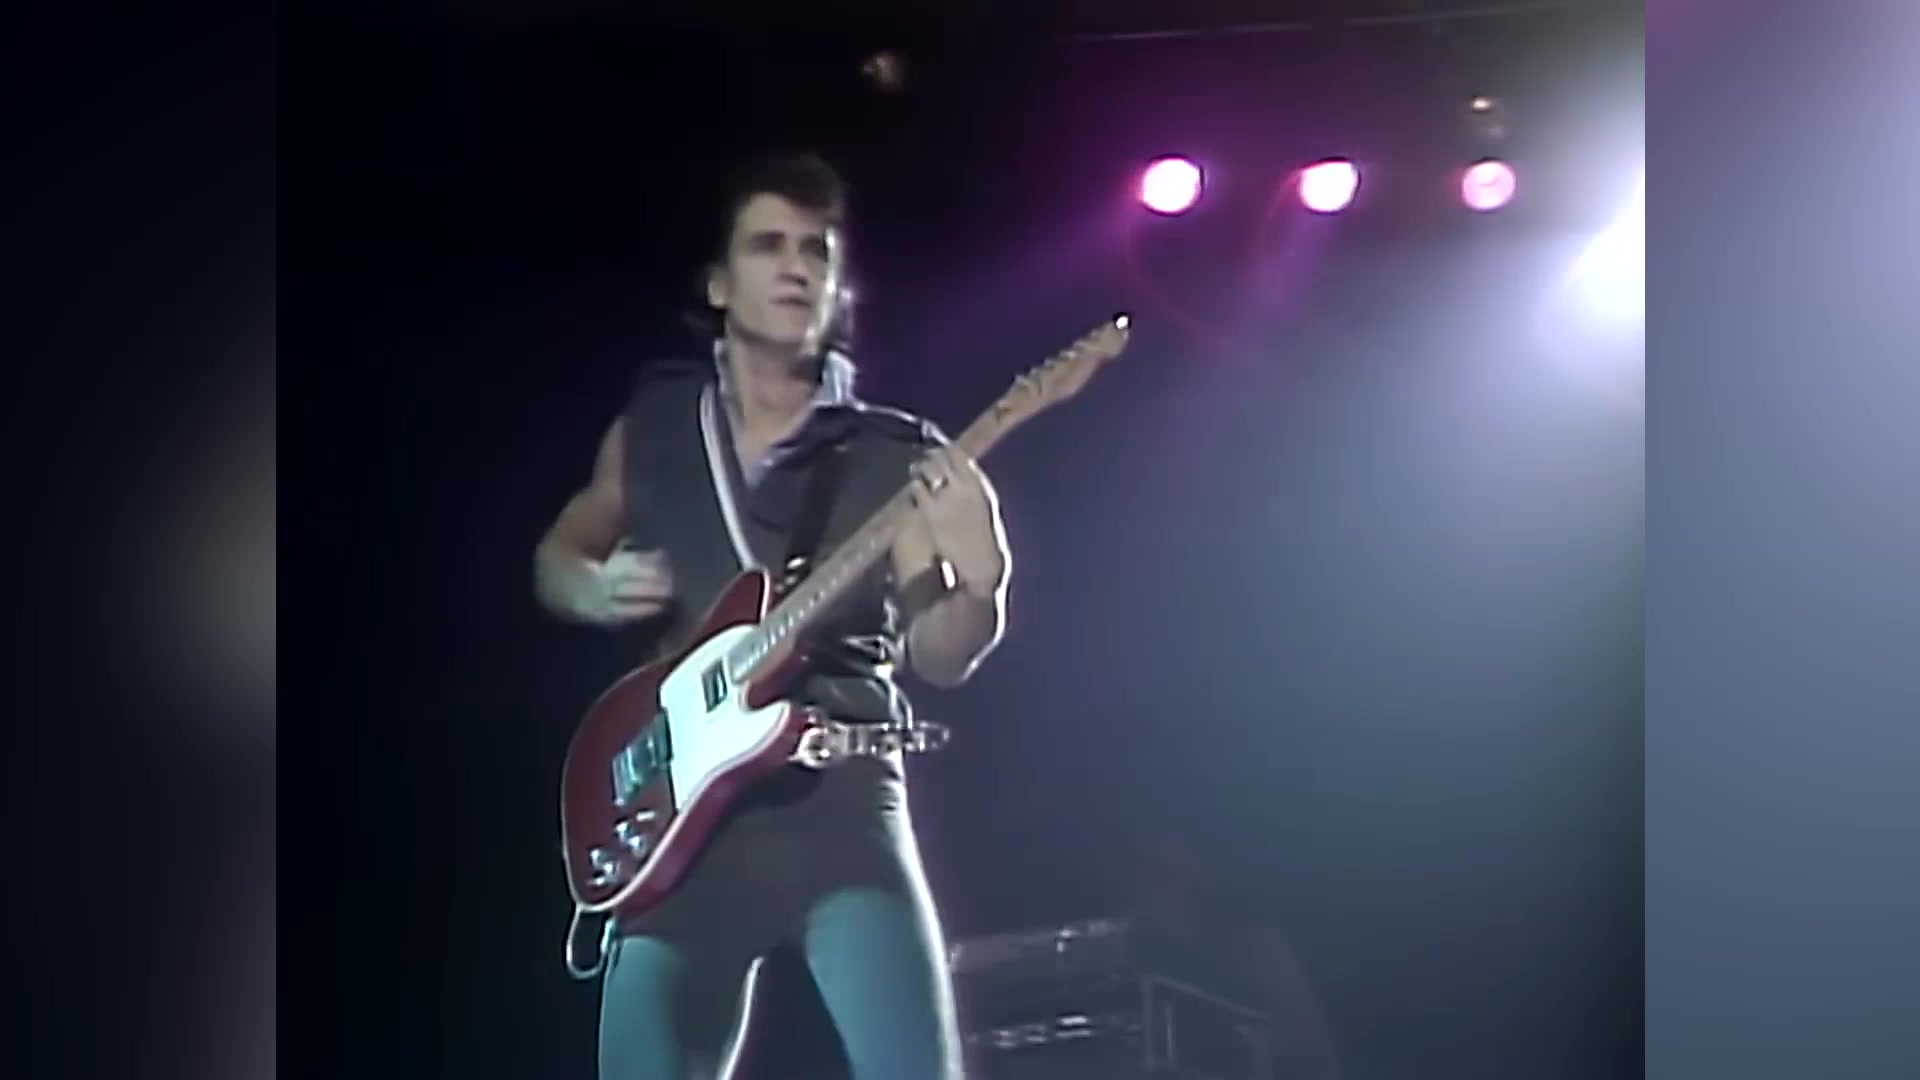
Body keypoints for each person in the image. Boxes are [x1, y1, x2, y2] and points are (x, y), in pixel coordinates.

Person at [532, 151, 1010, 1080]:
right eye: (769, 245)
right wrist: (588, 586)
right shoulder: (656, 426)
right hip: (677, 825)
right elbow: (559, 553)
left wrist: (983, 587)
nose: (796, 267)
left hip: (840, 810)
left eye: (816, 251)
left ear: (838, 288)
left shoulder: (896, 454)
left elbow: (939, 655)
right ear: (719, 284)